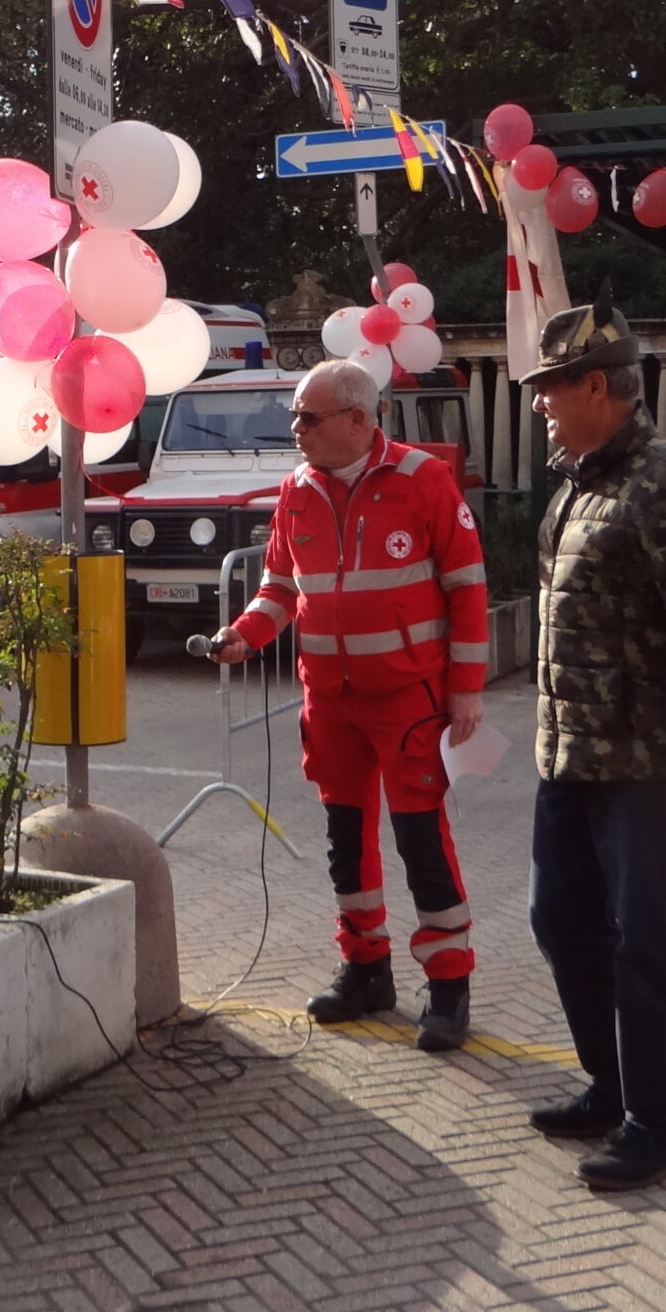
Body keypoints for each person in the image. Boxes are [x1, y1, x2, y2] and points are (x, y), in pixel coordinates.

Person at [519, 290, 666, 1191]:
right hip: (571, 760)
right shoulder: (579, 479)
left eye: (554, 385)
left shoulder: (665, 482)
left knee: (650, 944)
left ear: (602, 388)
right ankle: (610, 1088)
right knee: (560, 921)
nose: (540, 400)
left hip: (650, 770)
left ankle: (662, 1121)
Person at [208, 357, 492, 1052]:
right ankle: (366, 969)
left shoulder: (424, 480)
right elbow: (279, 589)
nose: (295, 429)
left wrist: (466, 692)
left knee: (421, 839)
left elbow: (468, 589)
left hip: (409, 698)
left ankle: (448, 984)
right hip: (329, 699)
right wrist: (243, 636)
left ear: (360, 421)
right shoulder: (295, 492)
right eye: (296, 418)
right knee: (345, 838)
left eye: (308, 417)